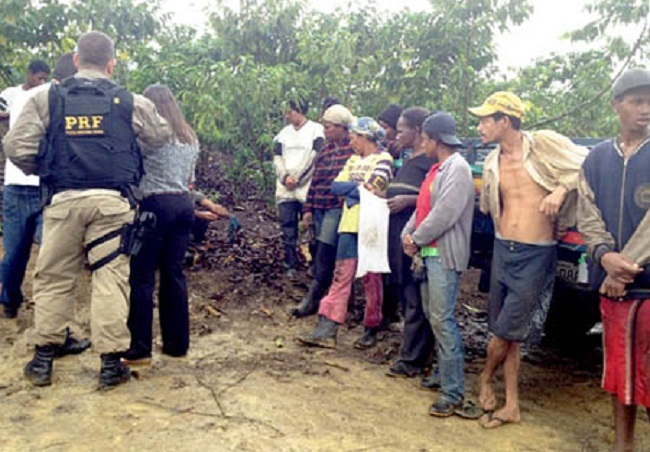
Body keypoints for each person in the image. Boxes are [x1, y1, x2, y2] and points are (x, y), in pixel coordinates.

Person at [3, 31, 171, 389]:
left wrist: (45, 169)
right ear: (112, 64)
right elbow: (160, 135)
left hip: (63, 201)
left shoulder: (47, 98)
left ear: (76, 60)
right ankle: (111, 365)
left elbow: (16, 146)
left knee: (53, 278)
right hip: (113, 204)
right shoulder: (129, 101)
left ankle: (43, 360)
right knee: (110, 279)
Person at [468, 91, 588, 427]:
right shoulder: (492, 161)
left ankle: (484, 377)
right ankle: (513, 405)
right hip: (503, 249)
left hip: (536, 253)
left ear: (504, 121)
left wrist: (561, 191)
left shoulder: (543, 144)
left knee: (505, 330)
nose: (479, 126)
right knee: (510, 333)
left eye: (485, 120)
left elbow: (586, 164)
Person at [577, 68, 650, 452]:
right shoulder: (597, 159)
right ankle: (624, 446)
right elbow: (587, 214)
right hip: (613, 290)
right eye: (637, 101)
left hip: (646, 288)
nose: (645, 109)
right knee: (619, 374)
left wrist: (623, 269)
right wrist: (604, 256)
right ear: (616, 105)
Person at [0, 53, 91, 356]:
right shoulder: (59, 99)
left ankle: (10, 302)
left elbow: (11, 136)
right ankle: (51, 324)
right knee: (53, 260)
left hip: (15, 183)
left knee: (15, 252)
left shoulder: (14, 95)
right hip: (48, 186)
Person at [297, 117, 393, 349]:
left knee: (372, 278)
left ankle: (371, 327)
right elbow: (336, 186)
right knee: (341, 276)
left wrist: (354, 191)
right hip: (349, 224)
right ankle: (327, 329)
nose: (350, 142)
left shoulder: (384, 159)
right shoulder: (352, 159)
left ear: (364, 137)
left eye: (353, 138)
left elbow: (374, 188)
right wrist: (357, 191)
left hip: (371, 226)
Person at [402, 112, 474, 416]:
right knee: (436, 318)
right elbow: (423, 207)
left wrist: (415, 238)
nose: (422, 143)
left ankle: (453, 390)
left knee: (442, 320)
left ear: (434, 140)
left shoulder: (457, 169)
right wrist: (410, 233)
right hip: (430, 253)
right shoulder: (438, 169)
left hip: (443, 254)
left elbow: (444, 213)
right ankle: (444, 375)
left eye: (425, 138)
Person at [122, 84, 199, 365]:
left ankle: (139, 346)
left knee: (141, 276)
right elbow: (190, 178)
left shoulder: (149, 138)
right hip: (184, 205)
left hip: (155, 206)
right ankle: (177, 343)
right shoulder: (189, 136)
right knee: (173, 274)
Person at [384, 107, 437, 379]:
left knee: (415, 298)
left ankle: (413, 359)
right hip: (399, 236)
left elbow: (433, 200)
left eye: (402, 129)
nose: (397, 134)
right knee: (407, 294)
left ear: (417, 131)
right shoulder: (408, 160)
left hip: (414, 241)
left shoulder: (429, 164)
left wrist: (408, 201)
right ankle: (413, 352)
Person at [291, 104, 355, 318]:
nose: (325, 131)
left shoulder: (352, 150)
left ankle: (313, 300)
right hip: (319, 205)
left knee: (326, 253)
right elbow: (315, 181)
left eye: (329, 127)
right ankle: (331, 299)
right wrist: (308, 209)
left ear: (341, 127)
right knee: (319, 250)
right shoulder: (326, 150)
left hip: (337, 207)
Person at [273, 98, 325, 278]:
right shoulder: (283, 133)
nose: (288, 115)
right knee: (288, 227)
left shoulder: (316, 130)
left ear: (300, 111)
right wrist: (285, 177)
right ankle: (290, 263)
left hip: (306, 189)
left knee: (310, 227)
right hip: (285, 189)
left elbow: (315, 156)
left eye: (291, 111)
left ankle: (313, 263)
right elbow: (277, 158)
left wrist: (299, 177)